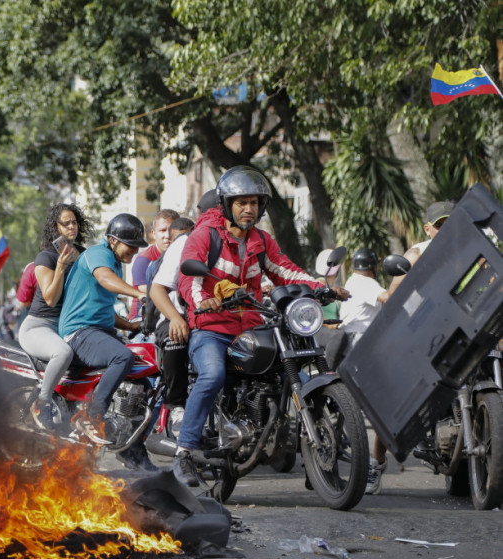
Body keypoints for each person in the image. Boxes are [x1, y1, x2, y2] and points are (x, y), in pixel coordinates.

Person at [173, 165, 349, 487]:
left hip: (251, 327)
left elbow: (285, 270)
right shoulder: (205, 236)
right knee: (212, 375)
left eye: (254, 203)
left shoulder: (261, 241)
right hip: (211, 327)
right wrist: (203, 301)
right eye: (241, 203)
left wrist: (321, 286)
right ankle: (184, 452)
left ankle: (309, 455)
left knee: (289, 370)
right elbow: (189, 279)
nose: (248, 209)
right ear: (227, 204)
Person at [366, 199, 455, 495]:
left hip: (462, 327)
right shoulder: (416, 253)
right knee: (392, 396)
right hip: (426, 331)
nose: (445, 231)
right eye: (439, 226)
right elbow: (394, 294)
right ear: (428, 228)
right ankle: (376, 464)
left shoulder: (474, 250)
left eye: (451, 224)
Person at [59, 213, 155, 471]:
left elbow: (105, 312)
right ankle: (93, 415)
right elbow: (104, 280)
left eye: (138, 247)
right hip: (78, 332)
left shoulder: (114, 263)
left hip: (99, 331)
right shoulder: (97, 254)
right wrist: (139, 293)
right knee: (121, 357)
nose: (135, 251)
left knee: (143, 381)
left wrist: (132, 325)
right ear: (112, 240)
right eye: (131, 245)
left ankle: (132, 450)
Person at [18, 203, 92, 425]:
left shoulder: (84, 254)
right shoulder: (47, 257)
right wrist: (60, 267)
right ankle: (43, 402)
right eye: (66, 223)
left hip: (69, 325)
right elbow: (50, 298)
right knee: (62, 353)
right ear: (56, 227)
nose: (72, 227)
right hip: (39, 326)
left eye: (74, 222)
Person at [148, 216, 196, 409]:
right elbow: (154, 292)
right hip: (170, 318)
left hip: (201, 316)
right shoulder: (160, 260)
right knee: (175, 337)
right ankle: (175, 405)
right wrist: (175, 317)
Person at [128, 209, 180, 319]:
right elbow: (151, 293)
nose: (167, 235)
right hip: (142, 319)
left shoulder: (183, 256)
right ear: (153, 233)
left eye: (171, 230)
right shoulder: (144, 259)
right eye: (162, 230)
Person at [339, 249, 387, 347]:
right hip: (359, 338)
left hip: (352, 337)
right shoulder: (364, 282)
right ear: (375, 267)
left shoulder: (354, 280)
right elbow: (386, 297)